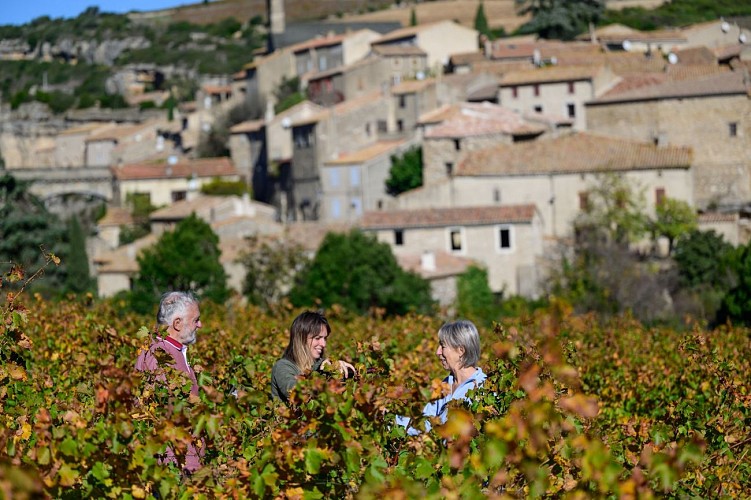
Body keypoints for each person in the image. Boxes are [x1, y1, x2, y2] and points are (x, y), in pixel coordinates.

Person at [135, 291, 203, 473]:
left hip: (185, 459)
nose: (200, 325)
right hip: (174, 463)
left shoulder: (175, 351)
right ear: (177, 323)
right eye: (195, 320)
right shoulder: (160, 356)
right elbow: (168, 411)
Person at [396, 320, 486, 435]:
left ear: (461, 351)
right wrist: (391, 419)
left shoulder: (483, 387)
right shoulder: (445, 384)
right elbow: (426, 423)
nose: (438, 352)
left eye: (442, 346)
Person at [271, 310, 356, 403]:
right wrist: (321, 370)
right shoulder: (283, 366)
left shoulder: (320, 365)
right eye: (317, 338)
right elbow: (296, 392)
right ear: (301, 339)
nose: (323, 344)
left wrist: (339, 372)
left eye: (325, 338)